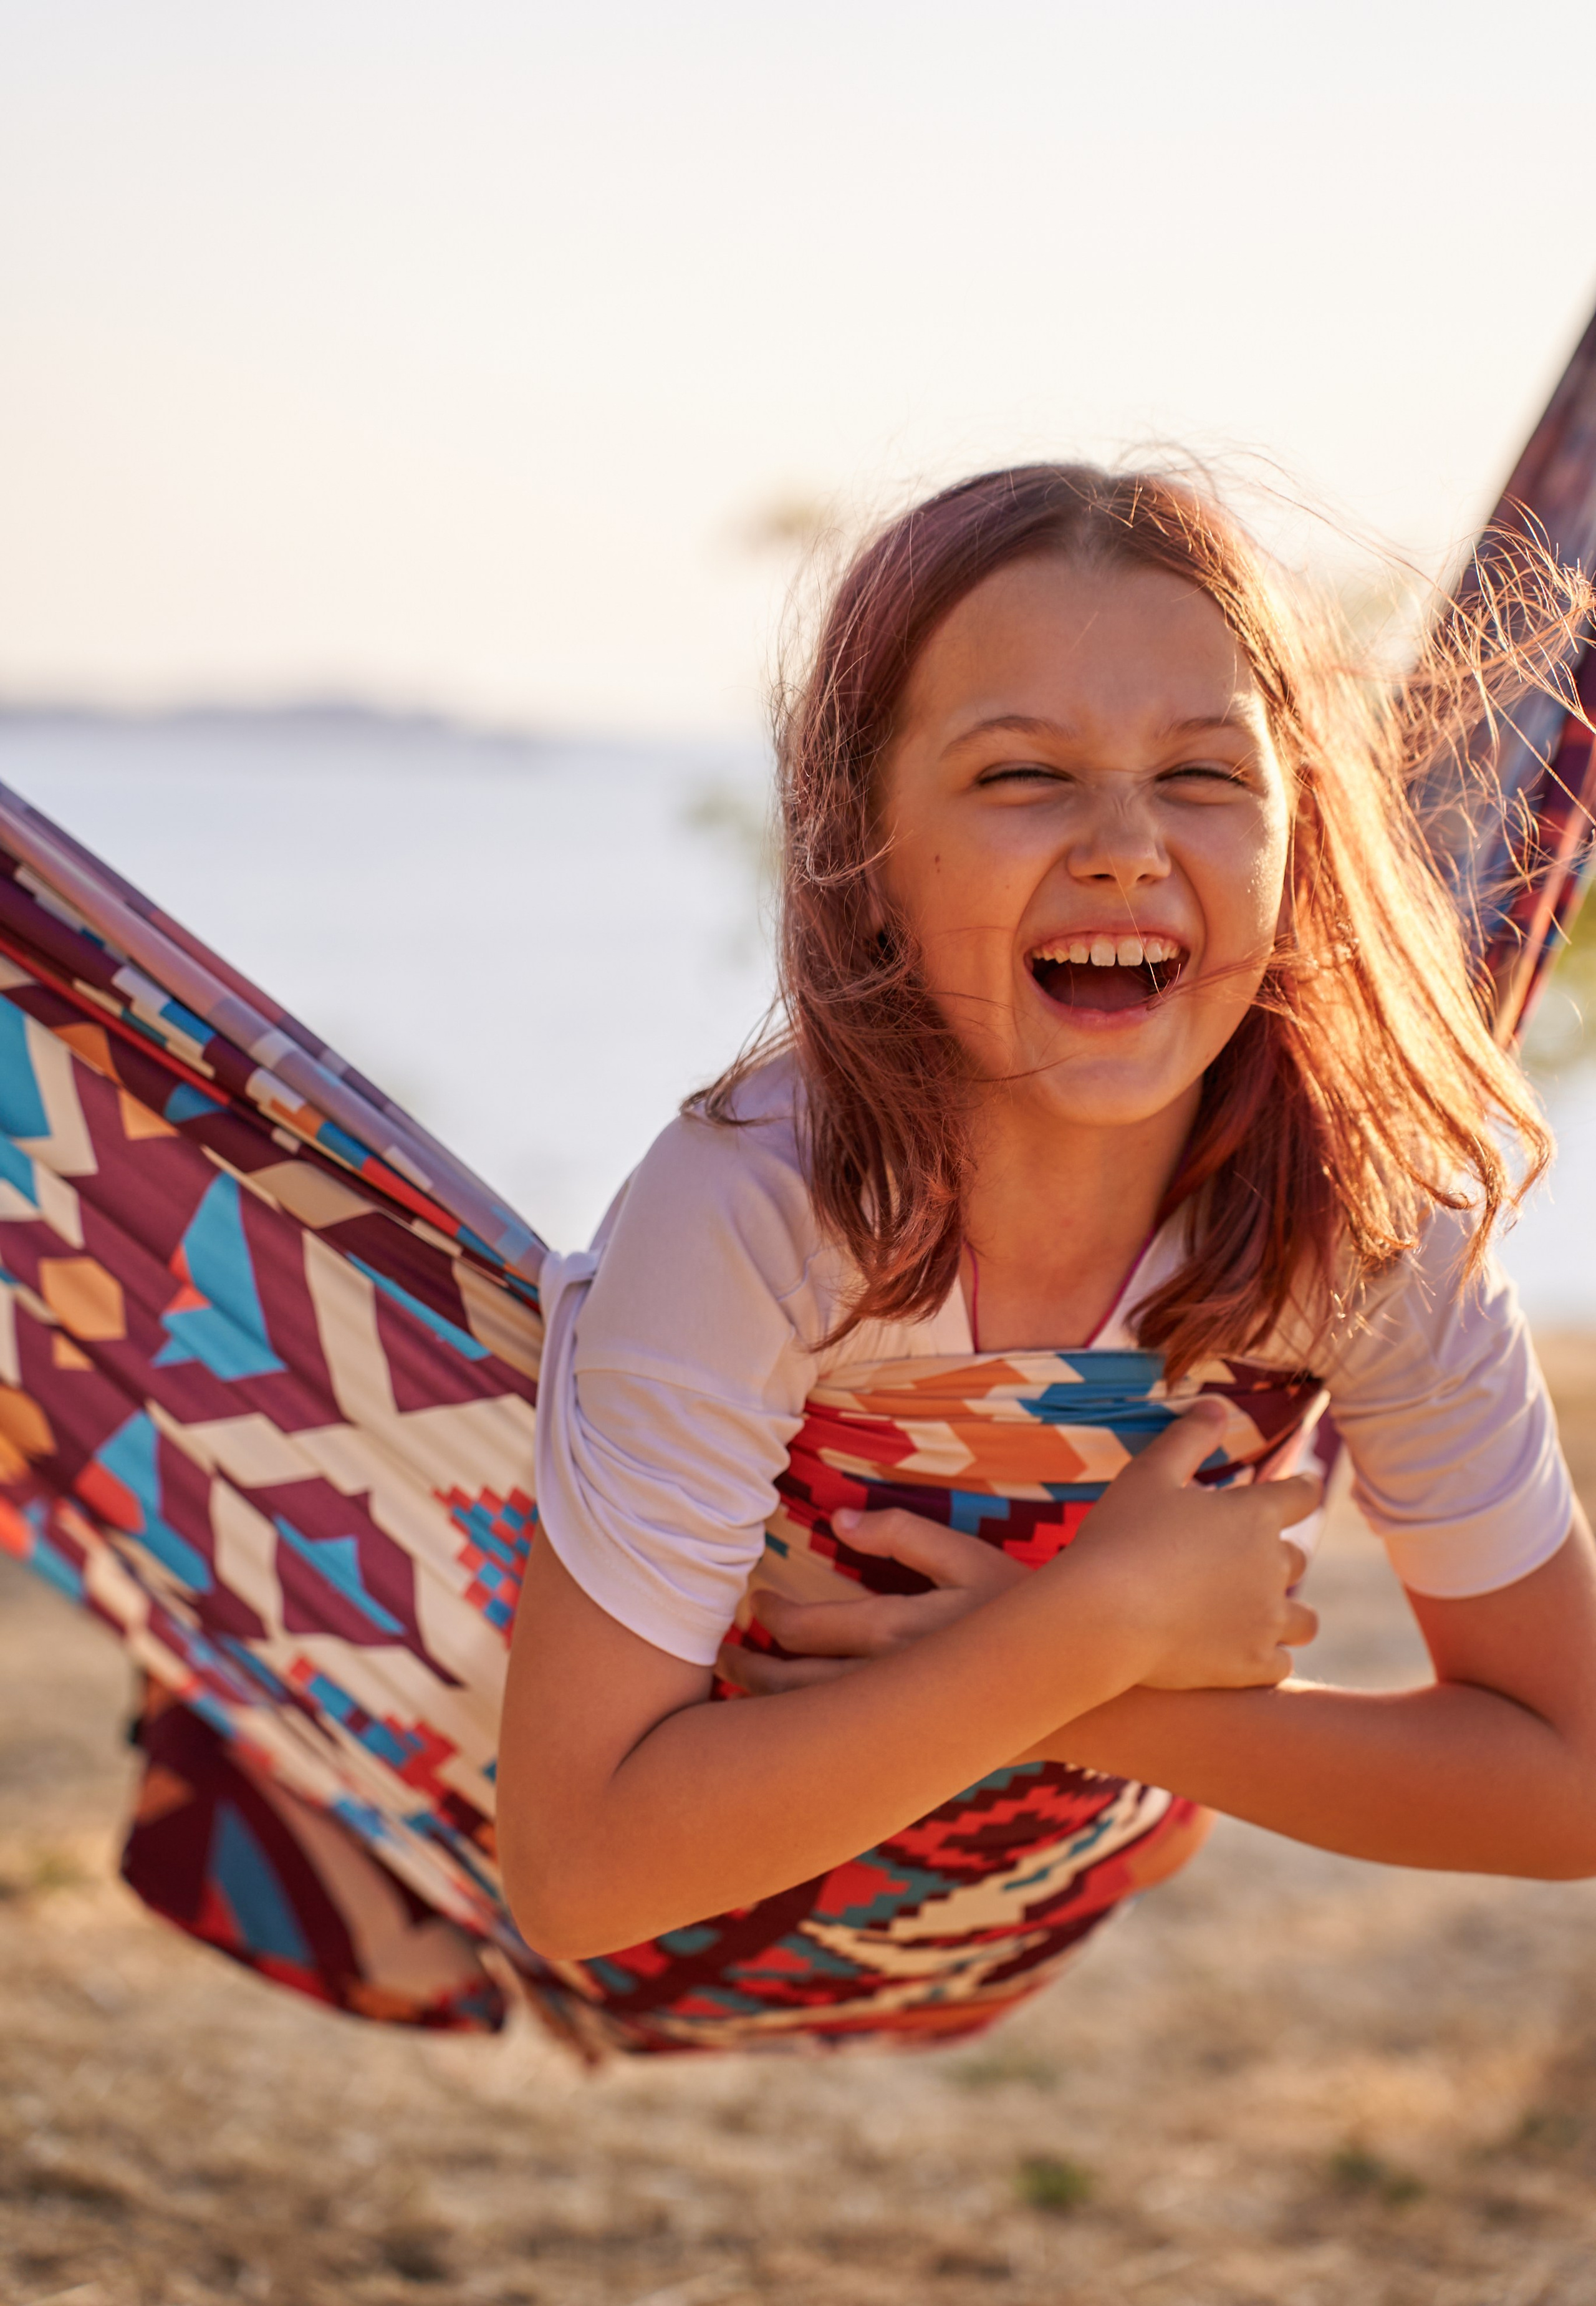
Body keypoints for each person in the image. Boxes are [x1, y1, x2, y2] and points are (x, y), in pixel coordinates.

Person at [499, 463, 1596, 1980]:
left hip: (1037, 1883)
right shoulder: (763, 1204)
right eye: (1021, 776)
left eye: (1206, 776)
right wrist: (1106, 1620)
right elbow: (578, 1868)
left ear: (1300, 845)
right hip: (710, 1912)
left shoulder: (1370, 1217)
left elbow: (1565, 1786)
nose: (1125, 845)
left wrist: (1094, 1691)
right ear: (861, 852)